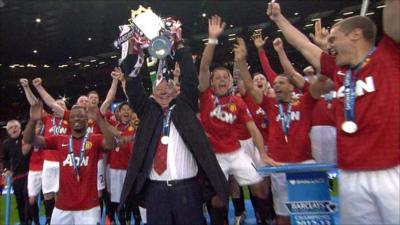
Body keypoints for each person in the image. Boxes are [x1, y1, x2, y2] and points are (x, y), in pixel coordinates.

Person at [266, 0, 399, 224]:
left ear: (356, 34)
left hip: (391, 171)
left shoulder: (389, 56)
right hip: (350, 173)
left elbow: (394, 15)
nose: (329, 44)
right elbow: (303, 45)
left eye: (333, 38)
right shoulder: (337, 69)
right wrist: (279, 18)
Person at [119, 31, 229, 225]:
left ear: (175, 90)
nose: (163, 91)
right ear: (152, 93)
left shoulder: (185, 105)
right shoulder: (147, 112)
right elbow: (133, 86)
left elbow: (190, 79)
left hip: (187, 189)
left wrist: (178, 45)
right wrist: (134, 51)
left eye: (168, 87)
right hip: (155, 192)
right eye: (158, 89)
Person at [235, 36, 319, 225]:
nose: (277, 86)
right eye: (276, 84)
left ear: (292, 86)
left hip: (304, 163)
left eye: (281, 83)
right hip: (279, 164)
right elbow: (249, 87)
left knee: (312, 213)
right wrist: (241, 61)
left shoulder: (304, 101)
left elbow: (318, 85)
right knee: (282, 214)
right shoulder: (271, 104)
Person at [23, 101, 115, 225]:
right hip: (62, 206)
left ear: (87, 120)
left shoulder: (95, 139)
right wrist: (33, 120)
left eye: (81, 116)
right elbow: (29, 139)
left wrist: (99, 120)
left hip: (89, 207)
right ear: (69, 121)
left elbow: (111, 144)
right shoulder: (60, 140)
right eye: (73, 116)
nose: (76, 118)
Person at [0, 119, 32, 225]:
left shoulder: (26, 138)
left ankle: (31, 220)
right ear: (8, 131)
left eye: (16, 127)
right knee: (20, 200)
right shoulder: (6, 144)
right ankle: (23, 221)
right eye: (11, 128)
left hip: (30, 173)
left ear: (20, 128)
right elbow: (4, 159)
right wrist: (7, 169)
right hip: (17, 176)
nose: (14, 129)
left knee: (29, 199)